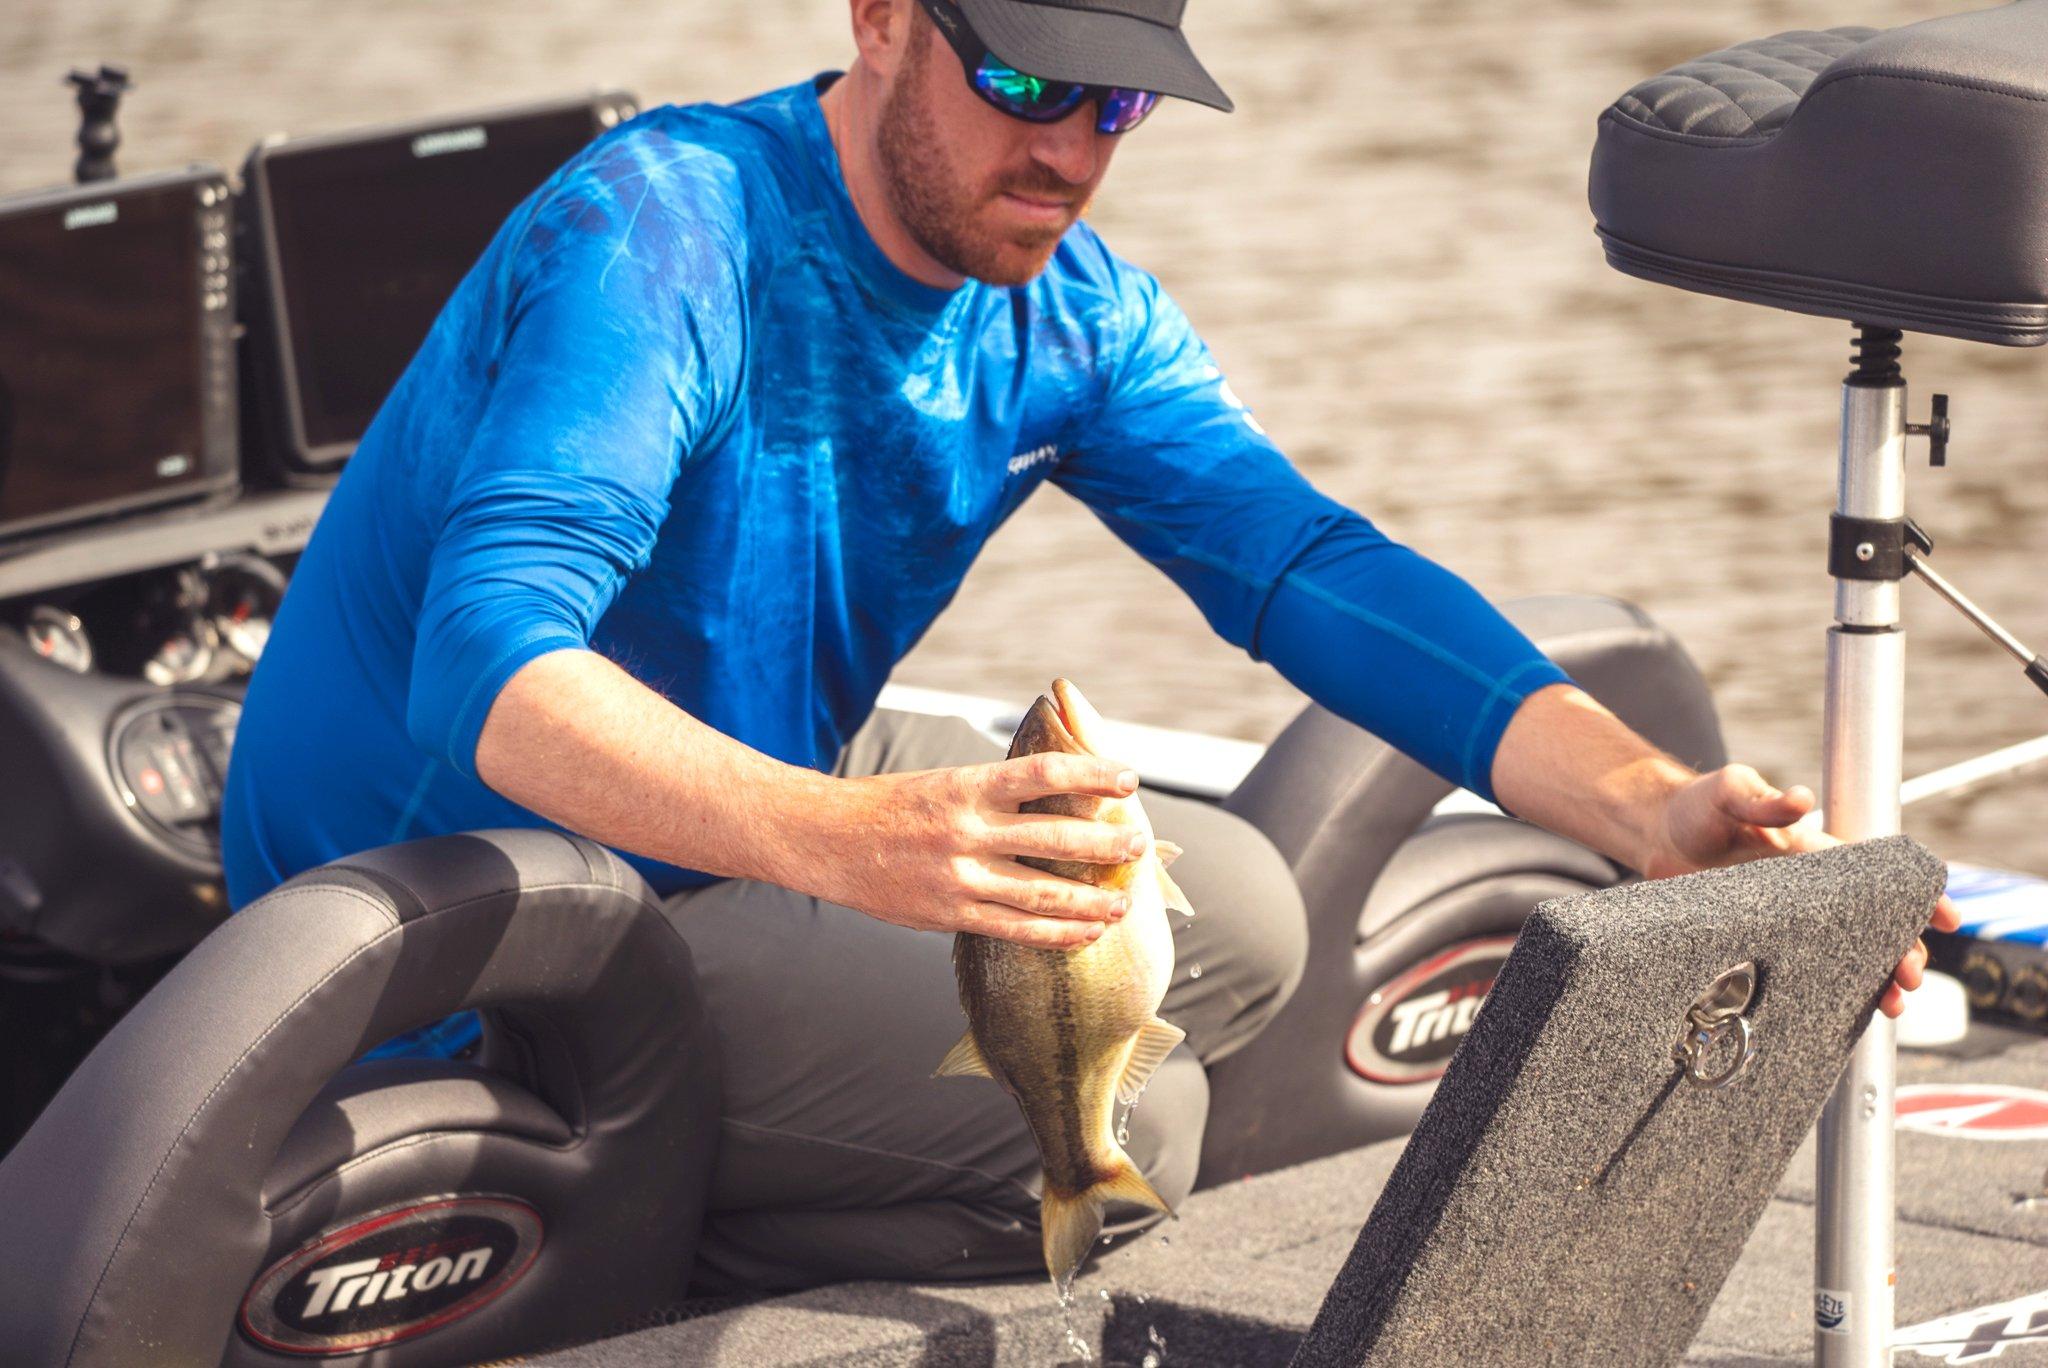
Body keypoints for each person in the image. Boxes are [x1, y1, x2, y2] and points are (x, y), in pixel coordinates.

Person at [220, 0, 1955, 1291]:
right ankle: (616, 1279)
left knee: (1241, 916)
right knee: (1135, 1137)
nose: (1067, 146)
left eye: (1115, 98)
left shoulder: (1067, 309)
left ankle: (764, 1120)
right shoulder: (665, 234)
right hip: (451, 915)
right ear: (883, 19)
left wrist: (1648, 809)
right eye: (1024, 81)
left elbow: (1299, 559)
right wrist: (853, 846)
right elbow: (489, 671)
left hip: (726, 809)